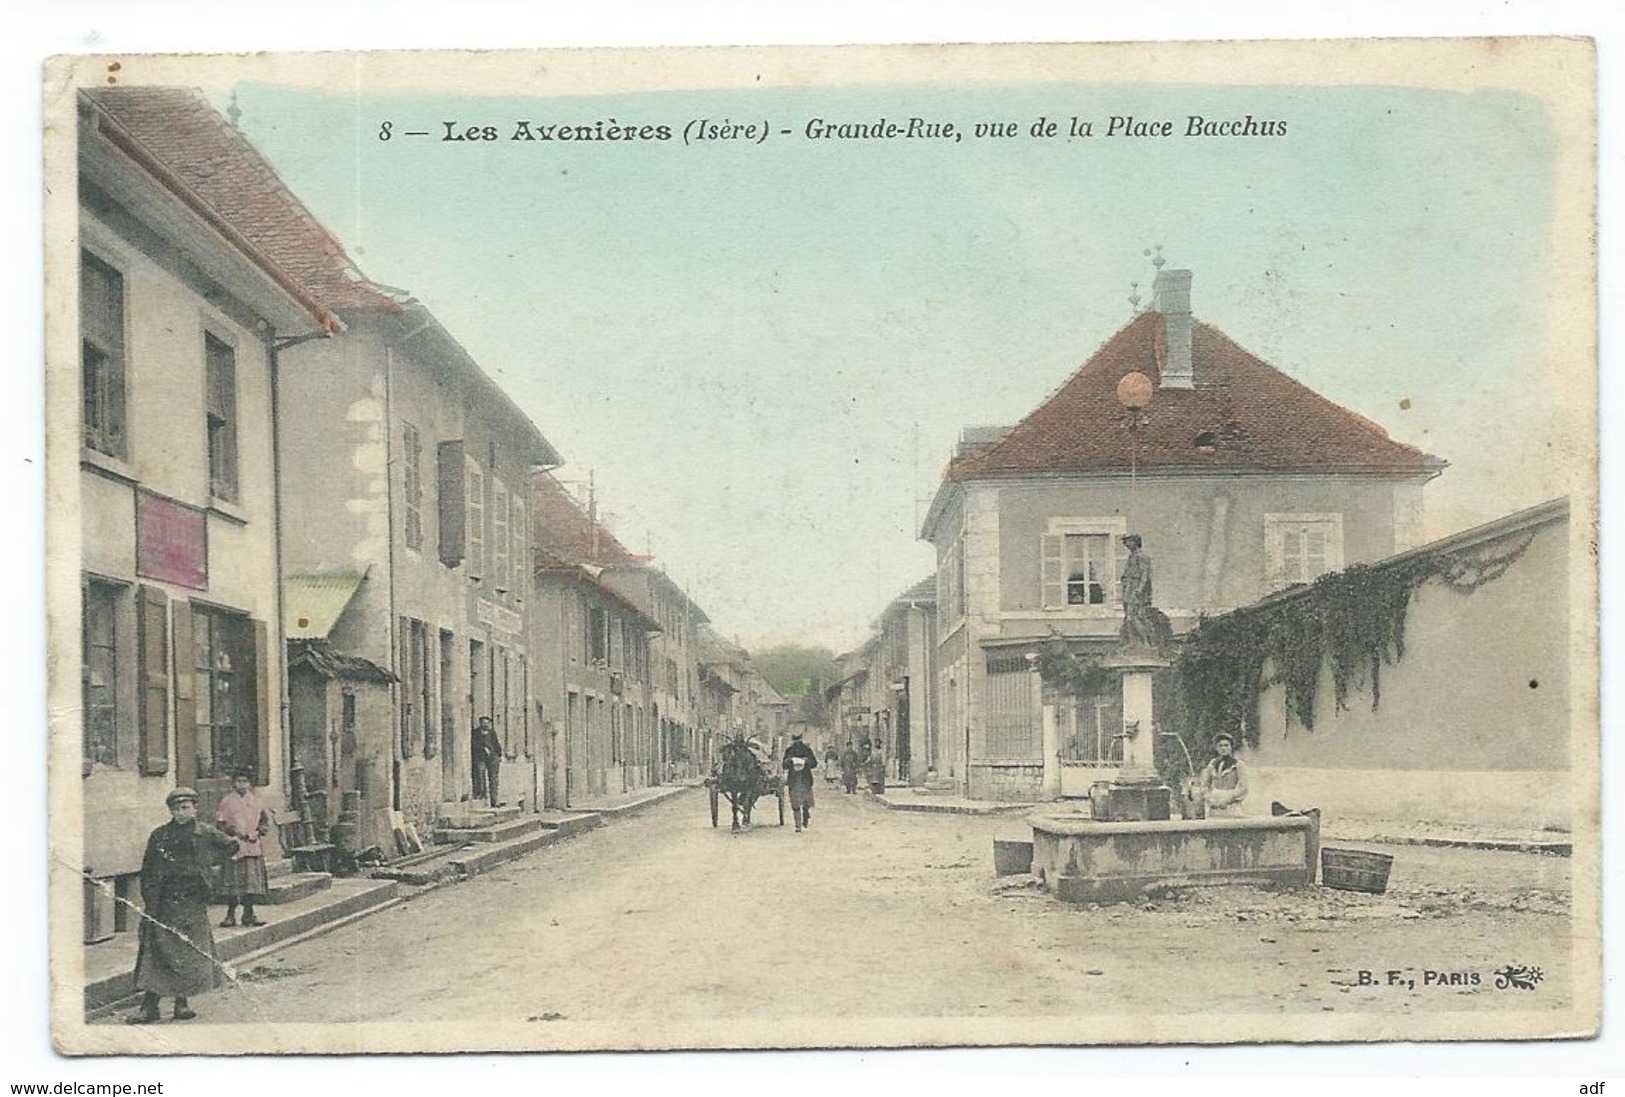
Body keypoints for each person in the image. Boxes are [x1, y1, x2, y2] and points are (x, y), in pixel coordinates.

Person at [128, 787, 238, 1024]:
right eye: (176, 808)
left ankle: (181, 1004)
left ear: (195, 808)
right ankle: (150, 1006)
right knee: (157, 951)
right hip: (164, 901)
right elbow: (148, 869)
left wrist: (210, 870)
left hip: (192, 901)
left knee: (187, 953)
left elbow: (231, 846)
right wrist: (150, 899)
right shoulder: (160, 835)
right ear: (170, 811)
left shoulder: (205, 832)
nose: (180, 813)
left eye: (185, 807)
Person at [214, 769, 274, 928]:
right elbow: (220, 823)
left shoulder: (256, 801)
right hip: (234, 845)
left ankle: (249, 914)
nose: (241, 785)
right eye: (238, 781)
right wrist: (232, 832)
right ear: (233, 783)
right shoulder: (227, 801)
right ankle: (230, 915)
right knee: (233, 882)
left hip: (252, 845)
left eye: (245, 781)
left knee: (250, 883)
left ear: (250, 784)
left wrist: (257, 832)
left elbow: (265, 822)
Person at [1197, 732, 1250, 816]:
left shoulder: (1238, 765)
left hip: (1232, 807)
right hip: (1214, 806)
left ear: (1231, 747)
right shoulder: (1212, 764)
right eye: (1220, 746)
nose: (1223, 748)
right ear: (1216, 748)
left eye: (1226, 745)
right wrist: (1210, 798)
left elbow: (1243, 788)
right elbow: (1205, 785)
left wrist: (1227, 798)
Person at [782, 731, 819, 831]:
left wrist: (806, 761)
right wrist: (790, 761)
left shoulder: (801, 749)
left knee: (802, 802)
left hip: (803, 779)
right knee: (796, 802)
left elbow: (814, 763)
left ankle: (804, 815)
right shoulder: (800, 750)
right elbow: (784, 765)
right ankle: (798, 825)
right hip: (796, 780)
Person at [472, 717, 503, 806]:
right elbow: (474, 744)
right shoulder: (476, 733)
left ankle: (494, 800)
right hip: (480, 757)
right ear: (480, 723)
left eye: (487, 723)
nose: (485, 725)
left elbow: (496, 744)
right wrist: (483, 748)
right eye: (483, 723)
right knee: (480, 776)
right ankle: (481, 796)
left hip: (493, 758)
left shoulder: (492, 733)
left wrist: (498, 755)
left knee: (494, 779)